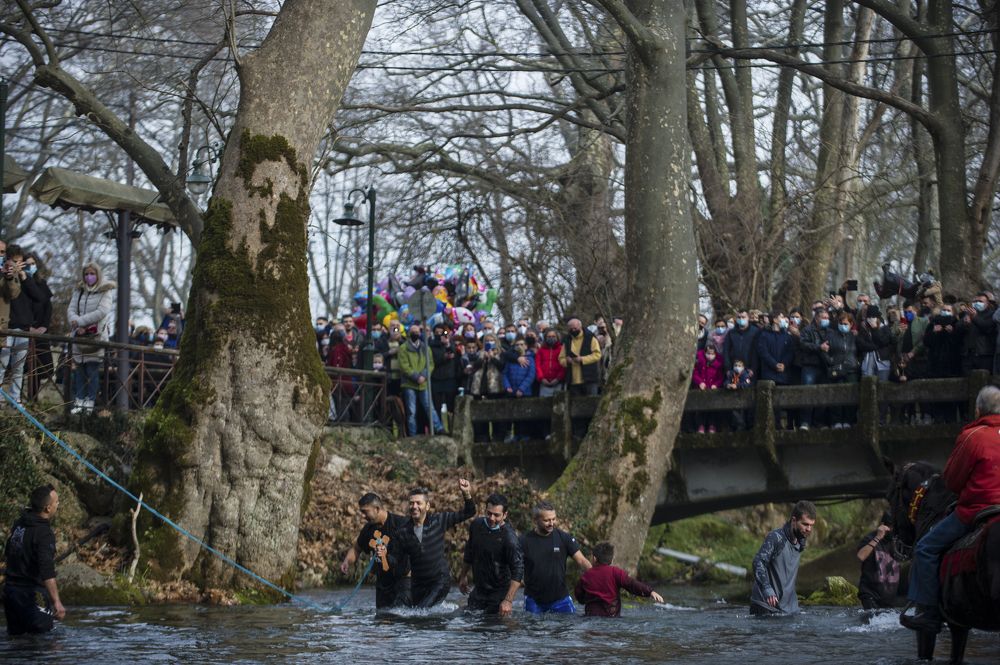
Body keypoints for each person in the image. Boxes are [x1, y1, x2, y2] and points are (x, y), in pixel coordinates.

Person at [900, 385, 1000, 633]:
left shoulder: (972, 436)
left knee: (925, 548)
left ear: (977, 410)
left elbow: (952, 481)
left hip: (977, 510)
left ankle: (928, 612)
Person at [398, 481, 476, 608]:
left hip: (439, 581)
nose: (414, 506)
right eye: (411, 503)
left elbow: (469, 512)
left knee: (422, 613)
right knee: (414, 615)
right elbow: (396, 560)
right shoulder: (403, 532)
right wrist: (383, 553)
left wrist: (466, 493)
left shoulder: (439, 521)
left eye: (418, 503)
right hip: (418, 583)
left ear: (427, 506)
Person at [2, 484, 66, 634]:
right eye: (56, 502)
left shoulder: (19, 524)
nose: (58, 505)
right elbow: (47, 570)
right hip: (32, 595)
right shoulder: (44, 534)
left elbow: (8, 552)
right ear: (48, 508)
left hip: (10, 594)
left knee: (17, 642)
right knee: (44, 642)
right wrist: (57, 602)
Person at [339, 492, 412, 610]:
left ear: (377, 509)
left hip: (404, 580)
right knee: (382, 619)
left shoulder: (401, 524)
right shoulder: (368, 529)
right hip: (383, 584)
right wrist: (347, 561)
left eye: (365, 511)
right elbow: (356, 549)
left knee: (400, 617)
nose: (363, 516)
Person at [520, 501, 592, 614]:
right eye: (547, 520)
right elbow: (513, 567)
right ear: (535, 520)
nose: (551, 523)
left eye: (553, 519)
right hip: (534, 600)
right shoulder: (524, 541)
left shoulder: (564, 538)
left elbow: (582, 561)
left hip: (561, 599)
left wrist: (599, 577)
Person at [458, 493, 523, 616]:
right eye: (489, 513)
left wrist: (508, 600)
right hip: (479, 591)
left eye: (497, 515)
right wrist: (463, 576)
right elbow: (469, 552)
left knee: (491, 628)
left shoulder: (510, 539)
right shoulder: (477, 525)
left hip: (499, 595)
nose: (492, 518)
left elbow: (518, 571)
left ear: (505, 515)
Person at [750, 500, 816, 616]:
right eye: (805, 524)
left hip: (788, 609)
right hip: (766, 607)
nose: (809, 529)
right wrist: (767, 589)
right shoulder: (776, 538)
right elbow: (758, 562)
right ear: (794, 521)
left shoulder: (801, 540)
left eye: (811, 525)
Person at [67, 263, 115, 414]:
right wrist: (75, 323)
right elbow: (71, 309)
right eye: (86, 274)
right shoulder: (79, 290)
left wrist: (81, 322)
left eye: (92, 273)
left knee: (92, 370)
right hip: (79, 335)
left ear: (98, 275)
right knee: (79, 369)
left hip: (95, 335)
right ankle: (79, 400)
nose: (89, 276)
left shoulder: (105, 290)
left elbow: (102, 311)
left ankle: (90, 401)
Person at [574, 542, 663, 617]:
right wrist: (650, 592)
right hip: (612, 618)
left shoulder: (586, 575)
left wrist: (584, 600)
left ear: (594, 559)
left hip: (590, 617)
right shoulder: (615, 572)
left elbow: (579, 595)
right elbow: (631, 584)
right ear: (611, 560)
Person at [0, 245, 41, 405]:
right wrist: (10, 275)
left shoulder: (26, 276)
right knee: (2, 365)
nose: (16, 265)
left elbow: (39, 297)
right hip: (6, 327)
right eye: (13, 262)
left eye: (19, 262)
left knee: (18, 367)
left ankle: (15, 399)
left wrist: (24, 276)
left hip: (23, 328)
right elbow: (10, 292)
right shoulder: (4, 275)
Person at [398, 324, 445, 436]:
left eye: (417, 331)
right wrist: (416, 377)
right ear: (409, 333)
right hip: (409, 383)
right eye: (413, 331)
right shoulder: (403, 348)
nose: (415, 334)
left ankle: (439, 428)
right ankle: (412, 434)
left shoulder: (426, 348)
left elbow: (430, 364)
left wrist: (424, 375)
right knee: (411, 411)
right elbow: (404, 366)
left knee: (430, 407)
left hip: (423, 383)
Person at [856, 513, 900, 610]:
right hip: (870, 595)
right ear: (883, 525)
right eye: (890, 526)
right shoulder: (870, 538)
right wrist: (878, 537)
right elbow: (861, 556)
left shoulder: (898, 542)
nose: (892, 529)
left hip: (889, 598)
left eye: (895, 527)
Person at [559, 317, 602, 396]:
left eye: (575, 328)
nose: (573, 330)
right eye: (571, 329)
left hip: (589, 379)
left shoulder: (590, 338)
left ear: (580, 326)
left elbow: (597, 355)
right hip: (572, 380)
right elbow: (561, 358)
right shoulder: (567, 340)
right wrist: (566, 361)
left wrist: (582, 359)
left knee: (590, 403)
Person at [535, 329, 565, 397]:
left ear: (557, 338)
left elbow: (563, 365)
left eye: (553, 336)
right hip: (544, 383)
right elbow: (537, 365)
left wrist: (558, 378)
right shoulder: (541, 350)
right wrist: (542, 378)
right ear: (545, 338)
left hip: (558, 382)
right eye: (549, 336)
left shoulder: (562, 349)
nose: (551, 338)